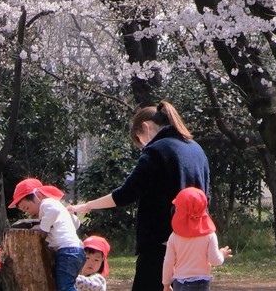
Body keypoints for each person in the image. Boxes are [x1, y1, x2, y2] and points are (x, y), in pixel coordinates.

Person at [69, 101, 210, 291]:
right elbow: (206, 196)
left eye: (140, 140)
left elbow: (127, 193)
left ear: (145, 127)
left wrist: (88, 206)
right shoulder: (196, 149)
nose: (143, 146)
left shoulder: (157, 150)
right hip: (195, 246)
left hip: (160, 244)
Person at [9, 177, 85, 291]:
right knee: (65, 284)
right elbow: (76, 222)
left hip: (68, 251)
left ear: (38, 196)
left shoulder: (47, 203)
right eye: (24, 211)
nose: (28, 212)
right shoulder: (58, 208)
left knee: (65, 287)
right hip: (75, 250)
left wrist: (43, 228)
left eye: (27, 207)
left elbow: (52, 211)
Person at [162, 187, 232, 291]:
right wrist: (221, 253)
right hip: (201, 284)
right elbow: (215, 260)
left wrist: (166, 284)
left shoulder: (174, 236)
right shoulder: (209, 234)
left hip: (179, 284)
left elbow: (168, 262)